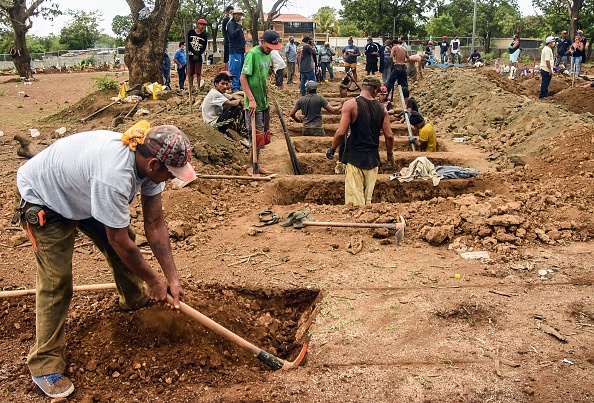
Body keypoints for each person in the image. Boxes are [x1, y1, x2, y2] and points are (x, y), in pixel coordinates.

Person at [14, 121, 195, 399]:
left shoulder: (147, 165)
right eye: (170, 174)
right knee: (56, 279)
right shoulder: (114, 176)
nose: (171, 179)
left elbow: (155, 222)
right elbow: (119, 241)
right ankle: (44, 363)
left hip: (81, 191)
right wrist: (154, 280)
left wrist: (171, 277)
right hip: (44, 198)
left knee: (125, 238)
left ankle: (134, 297)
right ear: (155, 165)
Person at [325, 76, 394, 205]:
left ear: (363, 87)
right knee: (367, 201)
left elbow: (340, 133)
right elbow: (389, 135)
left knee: (355, 204)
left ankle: (356, 223)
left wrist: (332, 149)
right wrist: (390, 155)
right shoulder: (382, 109)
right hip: (373, 160)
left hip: (354, 158)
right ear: (375, 90)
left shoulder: (351, 104)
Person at [240, 30, 282, 176]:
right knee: (255, 135)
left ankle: (257, 164)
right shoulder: (252, 54)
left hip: (263, 102)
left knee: (261, 136)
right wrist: (251, 99)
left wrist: (265, 88)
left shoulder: (268, 54)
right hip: (253, 104)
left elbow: (263, 74)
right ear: (262, 41)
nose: (270, 49)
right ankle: (251, 165)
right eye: (269, 46)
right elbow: (243, 78)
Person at [202, 72, 243, 136]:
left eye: (226, 84)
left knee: (231, 104)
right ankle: (223, 129)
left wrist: (236, 100)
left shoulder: (218, 91)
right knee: (237, 107)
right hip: (212, 123)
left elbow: (231, 97)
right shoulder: (215, 93)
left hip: (213, 119)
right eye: (222, 84)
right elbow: (231, 103)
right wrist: (239, 101)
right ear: (216, 84)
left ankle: (228, 126)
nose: (225, 86)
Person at [227, 7, 246, 92]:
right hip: (235, 50)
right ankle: (233, 86)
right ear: (234, 15)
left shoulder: (237, 25)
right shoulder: (231, 24)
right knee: (234, 69)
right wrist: (239, 26)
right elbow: (233, 35)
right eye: (238, 14)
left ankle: (238, 85)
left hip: (241, 50)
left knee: (240, 68)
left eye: (240, 15)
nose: (239, 16)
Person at [187, 18, 208, 92]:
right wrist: (194, 52)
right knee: (190, 72)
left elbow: (204, 46)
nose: (202, 26)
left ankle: (198, 87)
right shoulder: (191, 32)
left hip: (199, 55)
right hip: (190, 55)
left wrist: (198, 54)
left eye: (203, 25)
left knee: (198, 72)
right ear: (197, 24)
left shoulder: (204, 35)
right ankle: (191, 86)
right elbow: (188, 43)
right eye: (201, 24)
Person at [222, 5, 234, 71]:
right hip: (228, 42)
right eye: (231, 13)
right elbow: (225, 32)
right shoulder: (226, 20)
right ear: (227, 12)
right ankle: (227, 71)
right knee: (227, 57)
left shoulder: (231, 21)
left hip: (230, 42)